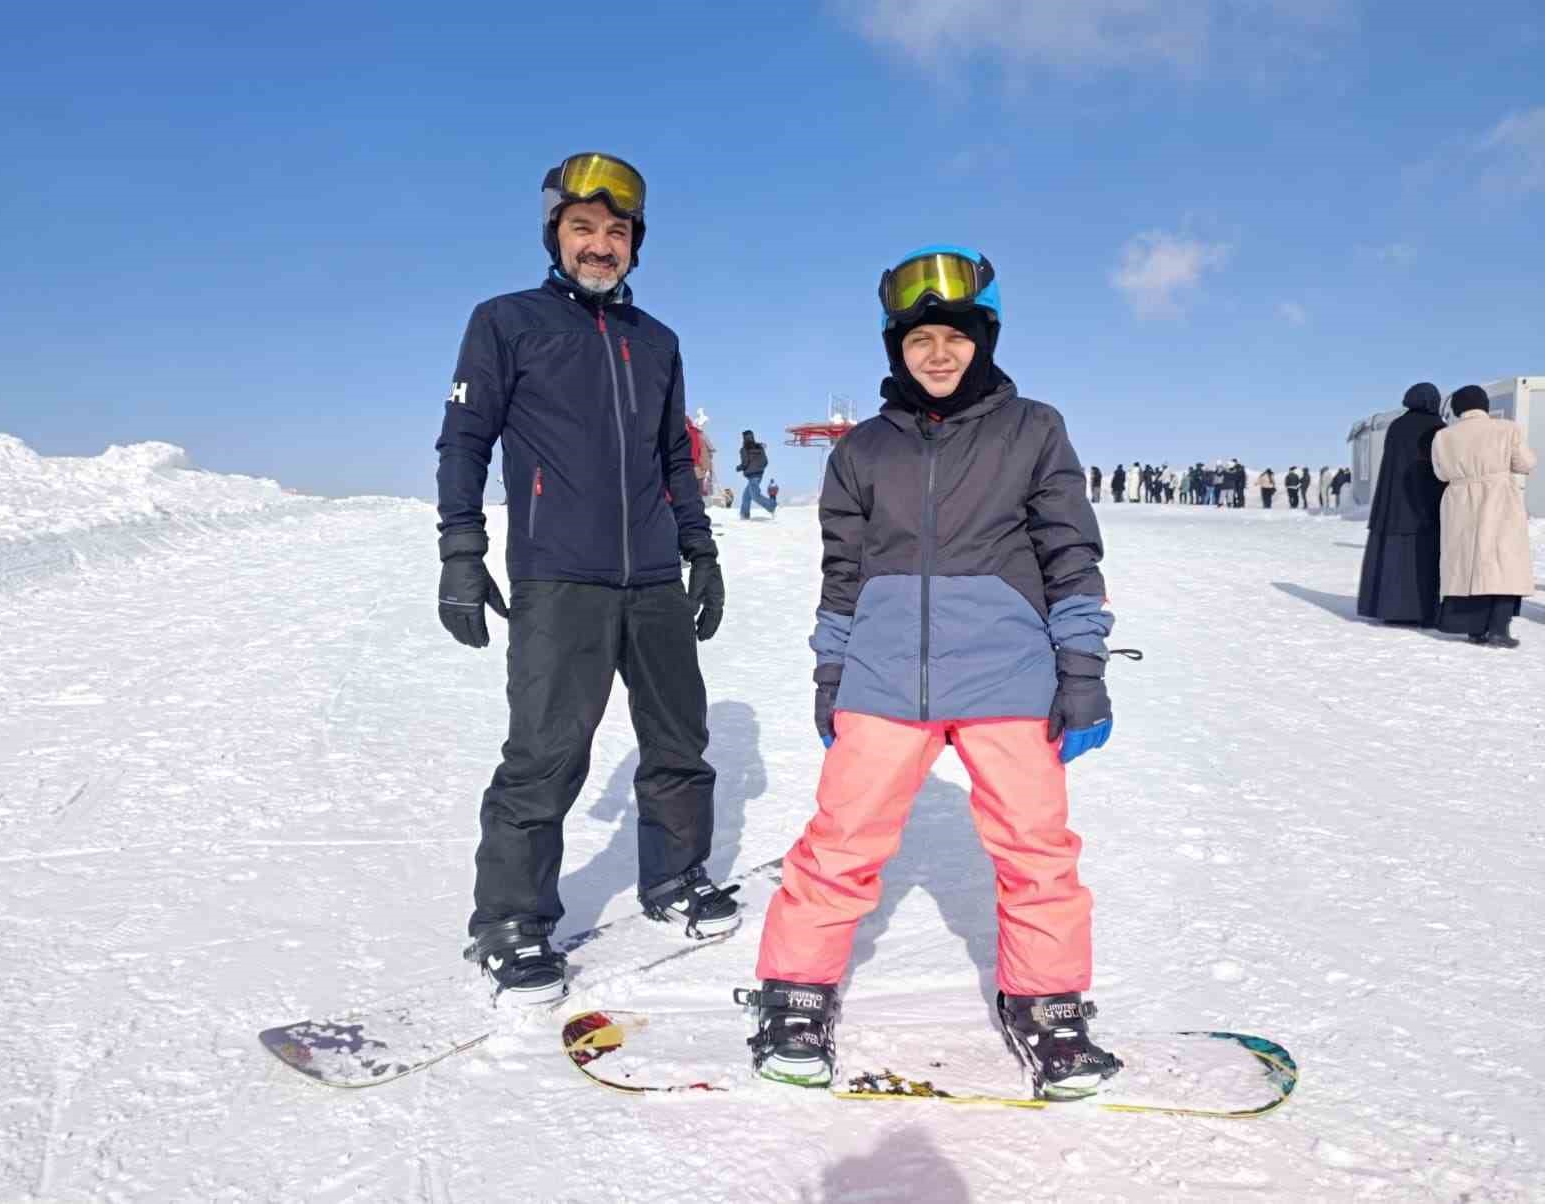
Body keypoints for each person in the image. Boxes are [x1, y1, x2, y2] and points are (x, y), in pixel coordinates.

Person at [737, 246, 1123, 1100]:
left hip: (1009, 676)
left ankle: (1048, 1004)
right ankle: (797, 994)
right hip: (883, 676)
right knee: (841, 842)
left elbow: (1069, 551)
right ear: (896, 351)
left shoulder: (1033, 429)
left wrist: (1082, 666)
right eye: (919, 341)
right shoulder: (863, 451)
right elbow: (844, 571)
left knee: (1036, 850)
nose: (938, 354)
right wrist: (830, 673)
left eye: (953, 336)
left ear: (982, 339)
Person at [435, 151, 738, 1004]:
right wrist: (461, 548)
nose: (600, 245)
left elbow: (675, 457)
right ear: (555, 238)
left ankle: (675, 877)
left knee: (679, 739)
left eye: (616, 232)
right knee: (546, 752)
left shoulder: (658, 342)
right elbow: (464, 441)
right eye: (583, 229)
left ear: (634, 246)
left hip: (651, 576)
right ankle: (510, 921)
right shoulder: (506, 322)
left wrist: (700, 548)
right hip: (558, 573)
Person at [1432, 385, 1538, 647]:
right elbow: (1526, 463)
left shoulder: (1443, 436)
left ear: (1457, 408)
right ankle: (1499, 629)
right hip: (1498, 496)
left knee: (1465, 563)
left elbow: (1441, 473)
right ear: (1484, 405)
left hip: (1459, 499)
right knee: (1502, 561)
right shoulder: (1507, 429)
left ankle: (1473, 628)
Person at [1356, 382, 1446, 625]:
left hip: (1392, 503)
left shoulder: (1397, 426)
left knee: (1394, 558)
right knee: (1424, 558)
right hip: (1425, 502)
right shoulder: (1437, 427)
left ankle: (1390, 609)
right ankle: (1423, 610)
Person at [738, 430, 777, 519]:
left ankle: (772, 506)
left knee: (755, 496)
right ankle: (744, 514)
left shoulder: (744, 449)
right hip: (759, 475)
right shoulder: (759, 447)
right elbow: (765, 462)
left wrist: (739, 468)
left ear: (744, 438)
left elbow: (745, 463)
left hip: (752, 476)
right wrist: (759, 469)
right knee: (746, 495)